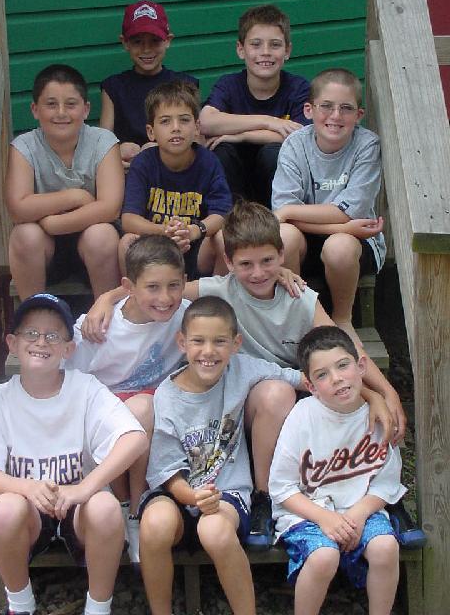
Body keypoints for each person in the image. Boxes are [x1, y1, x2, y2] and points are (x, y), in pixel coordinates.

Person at [81, 201, 405, 550]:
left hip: (291, 392)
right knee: (274, 391)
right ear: (229, 262)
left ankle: (274, 496)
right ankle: (254, 496)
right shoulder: (220, 289)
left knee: (286, 392)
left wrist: (384, 393)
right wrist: (106, 299)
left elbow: (343, 347)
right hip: (239, 396)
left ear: (282, 256)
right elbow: (159, 286)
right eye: (246, 264)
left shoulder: (298, 296)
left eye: (267, 261)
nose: (258, 273)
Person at [0, 293, 147, 615]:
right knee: (4, 509)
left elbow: (134, 438)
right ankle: (20, 605)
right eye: (31, 333)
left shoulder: (85, 388)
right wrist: (28, 487)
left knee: (106, 506)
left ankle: (98, 607)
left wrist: (85, 487)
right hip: (29, 509)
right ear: (12, 343)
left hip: (79, 509)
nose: (41, 342)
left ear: (69, 349)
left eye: (53, 335)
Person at [139, 296, 303, 615]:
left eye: (219, 342)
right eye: (198, 341)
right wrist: (192, 497)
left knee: (213, 530)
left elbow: (300, 378)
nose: (209, 351)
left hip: (225, 494)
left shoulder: (241, 369)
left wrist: (373, 395)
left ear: (235, 344)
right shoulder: (167, 396)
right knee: (155, 524)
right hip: (178, 494)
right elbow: (168, 472)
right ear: (182, 343)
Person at [64, 234, 190, 562]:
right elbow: (68, 385)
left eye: (173, 286)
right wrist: (107, 299)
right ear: (129, 287)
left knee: (145, 406)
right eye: (153, 288)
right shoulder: (97, 328)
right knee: (141, 407)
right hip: (102, 431)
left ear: (184, 282)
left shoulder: (186, 315)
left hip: (154, 425)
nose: (165, 298)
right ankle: (124, 505)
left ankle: (136, 510)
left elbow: (230, 287)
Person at [269, 326, 406, 615]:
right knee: (323, 556)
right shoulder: (303, 417)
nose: (336, 378)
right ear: (310, 386)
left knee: (385, 547)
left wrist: (358, 514)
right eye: (322, 375)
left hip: (361, 508)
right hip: (307, 512)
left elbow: (386, 483)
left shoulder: (377, 417)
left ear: (361, 366)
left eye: (343, 365)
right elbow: (281, 487)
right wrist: (325, 518)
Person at [272, 68, 386, 346]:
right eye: (326, 106)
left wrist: (290, 212)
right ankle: (298, 316)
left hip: (356, 242)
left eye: (346, 108)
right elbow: (282, 214)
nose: (335, 116)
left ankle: (343, 318)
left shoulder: (366, 145)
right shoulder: (295, 145)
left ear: (359, 115)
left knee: (339, 246)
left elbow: (347, 211)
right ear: (309, 110)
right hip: (324, 236)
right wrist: (343, 226)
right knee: (284, 235)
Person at [5, 64, 124, 301]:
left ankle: (108, 315)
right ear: (35, 109)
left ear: (86, 109)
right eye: (51, 104)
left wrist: (55, 224)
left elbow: (110, 208)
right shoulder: (24, 146)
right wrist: (75, 196)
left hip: (94, 249)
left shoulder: (103, 141)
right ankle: (35, 313)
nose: (61, 113)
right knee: (25, 234)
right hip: (45, 253)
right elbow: (18, 208)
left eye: (71, 104)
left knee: (101, 234)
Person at [119, 80, 232, 280]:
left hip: (196, 245)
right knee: (127, 242)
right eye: (165, 121)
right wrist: (164, 232)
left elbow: (221, 214)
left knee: (223, 238)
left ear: (197, 127)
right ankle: (136, 296)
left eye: (184, 120)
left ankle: (215, 297)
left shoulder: (209, 162)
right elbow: (129, 219)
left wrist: (194, 231)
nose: (176, 128)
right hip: (156, 245)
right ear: (151, 132)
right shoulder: (143, 163)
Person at [199, 4, 310, 207]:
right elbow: (206, 122)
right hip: (236, 180)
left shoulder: (298, 88)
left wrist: (242, 135)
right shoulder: (229, 85)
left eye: (275, 45)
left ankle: (280, 219)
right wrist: (269, 122)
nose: (265, 52)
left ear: (287, 50)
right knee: (222, 149)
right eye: (256, 44)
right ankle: (230, 219)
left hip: (276, 186)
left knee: (274, 152)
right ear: (241, 49)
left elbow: (301, 136)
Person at [100, 0, 198, 169]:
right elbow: (103, 141)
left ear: (168, 40)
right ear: (125, 43)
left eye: (155, 41)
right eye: (137, 41)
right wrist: (115, 154)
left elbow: (196, 139)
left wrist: (162, 150)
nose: (146, 49)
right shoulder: (113, 87)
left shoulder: (186, 84)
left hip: (173, 168)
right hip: (128, 169)